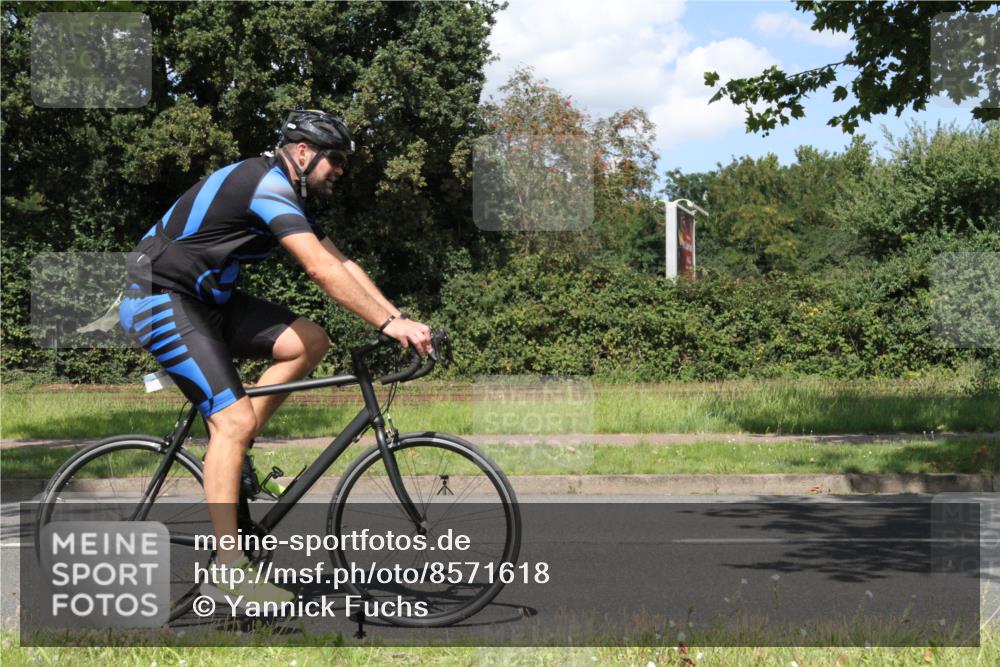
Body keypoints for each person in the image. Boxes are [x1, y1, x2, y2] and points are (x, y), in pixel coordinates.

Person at [118, 109, 433, 603]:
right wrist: (389, 325)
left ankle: (233, 446)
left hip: (205, 301)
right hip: (157, 296)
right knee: (233, 423)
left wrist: (401, 320)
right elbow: (319, 270)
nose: (341, 170)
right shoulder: (265, 184)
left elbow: (342, 262)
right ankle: (230, 571)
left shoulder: (290, 195)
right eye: (336, 159)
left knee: (308, 340)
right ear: (303, 153)